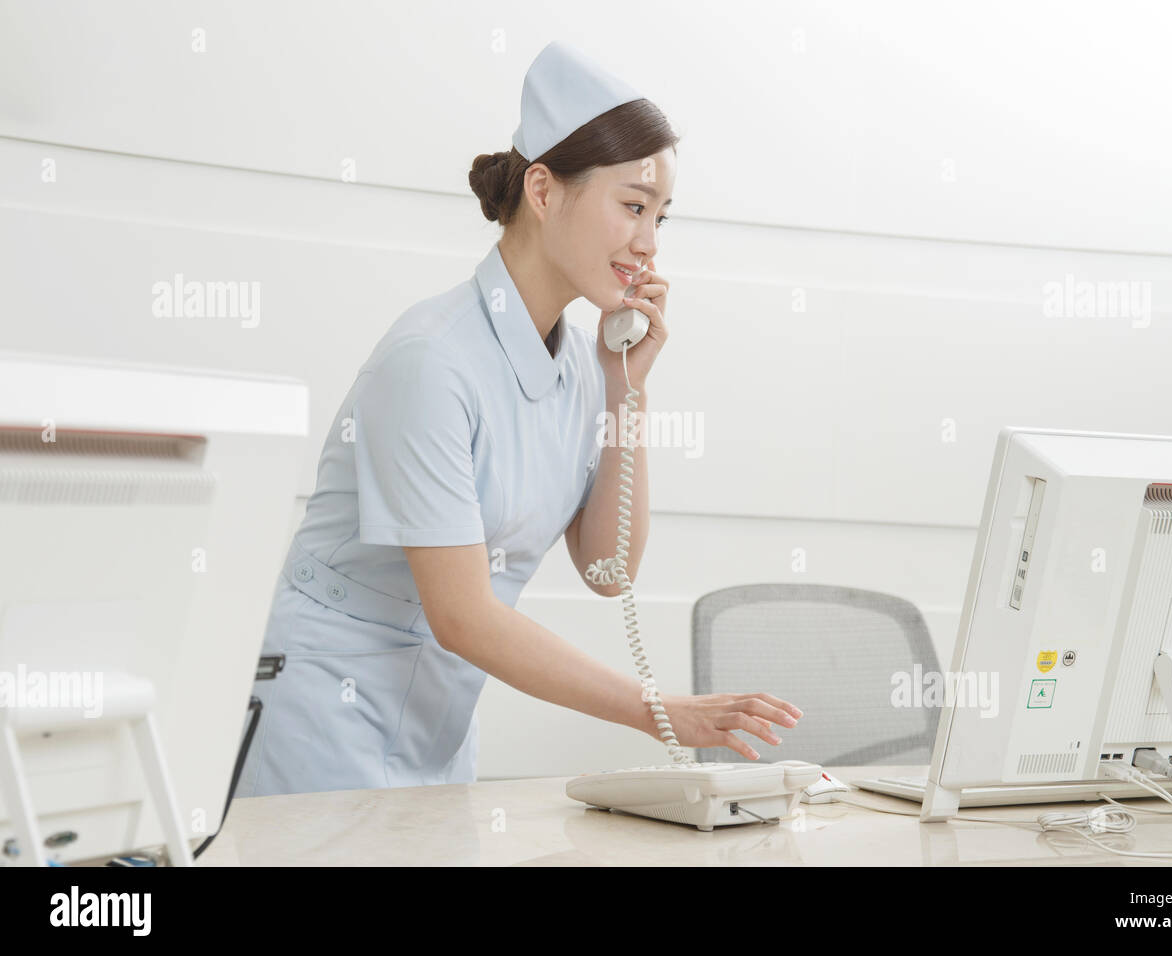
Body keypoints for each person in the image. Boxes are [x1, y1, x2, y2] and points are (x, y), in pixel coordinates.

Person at [237, 41, 802, 797]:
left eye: (661, 216)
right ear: (543, 190)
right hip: (321, 716)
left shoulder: (578, 365)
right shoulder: (430, 361)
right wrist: (661, 711)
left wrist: (625, 388)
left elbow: (608, 572)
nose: (650, 244)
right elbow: (465, 616)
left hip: (435, 721)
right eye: (633, 206)